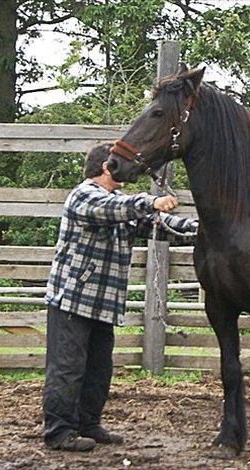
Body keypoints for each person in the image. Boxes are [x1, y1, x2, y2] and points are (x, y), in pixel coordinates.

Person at [42, 143, 197, 451]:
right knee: (68, 368)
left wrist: (204, 228)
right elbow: (114, 210)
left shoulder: (120, 202)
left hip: (102, 304)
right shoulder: (83, 196)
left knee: (99, 370)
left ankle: (88, 423)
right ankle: (59, 432)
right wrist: (152, 200)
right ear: (105, 167)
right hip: (73, 300)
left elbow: (161, 225)